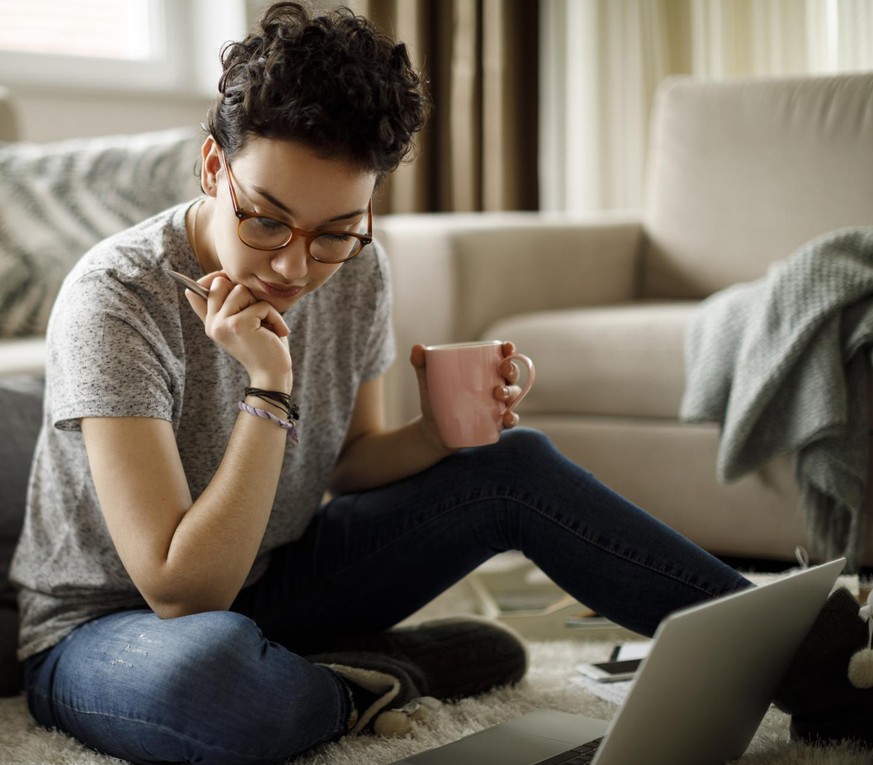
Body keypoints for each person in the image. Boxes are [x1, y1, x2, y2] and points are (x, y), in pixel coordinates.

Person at [9, 3, 868, 763]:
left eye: (337, 229)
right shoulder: (115, 299)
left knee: (515, 463)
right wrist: (267, 388)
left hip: (279, 581)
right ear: (210, 167)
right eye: (265, 219)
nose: (295, 263)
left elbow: (346, 464)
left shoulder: (355, 269)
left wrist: (439, 437)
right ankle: (385, 672)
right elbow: (181, 590)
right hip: (112, 628)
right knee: (214, 687)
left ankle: (825, 663)